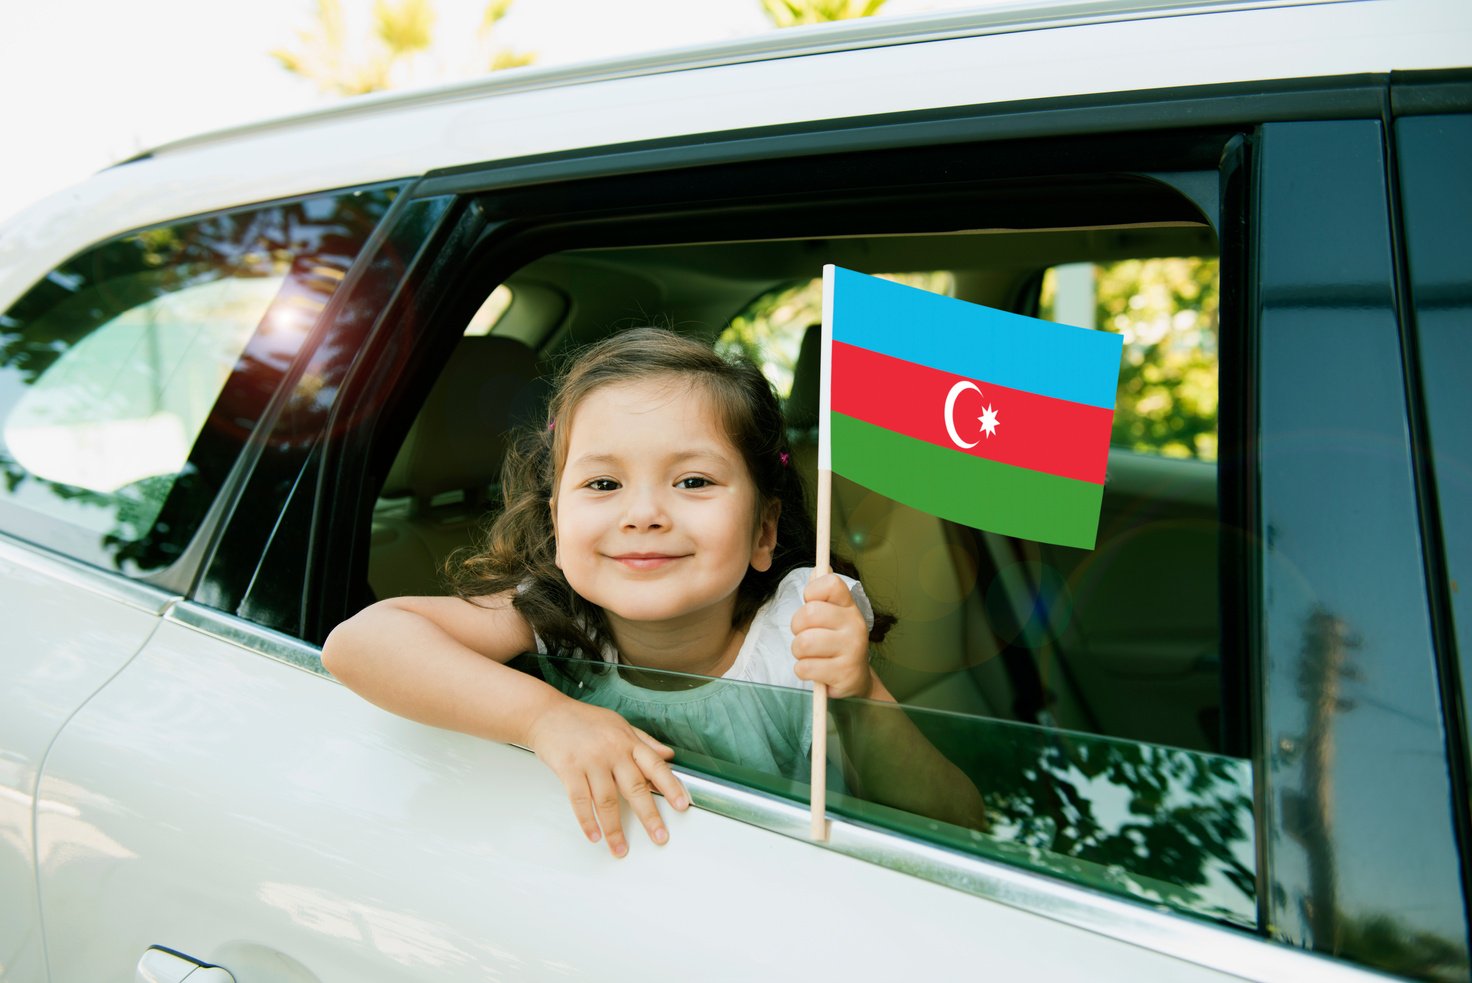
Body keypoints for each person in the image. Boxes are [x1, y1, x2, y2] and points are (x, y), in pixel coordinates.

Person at [323, 327, 982, 858]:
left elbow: (957, 821)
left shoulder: (800, 628)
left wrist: (858, 690)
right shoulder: (554, 613)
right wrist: (545, 717)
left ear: (764, 531)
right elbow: (357, 643)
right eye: (604, 485)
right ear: (557, 524)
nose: (643, 514)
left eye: (693, 481)